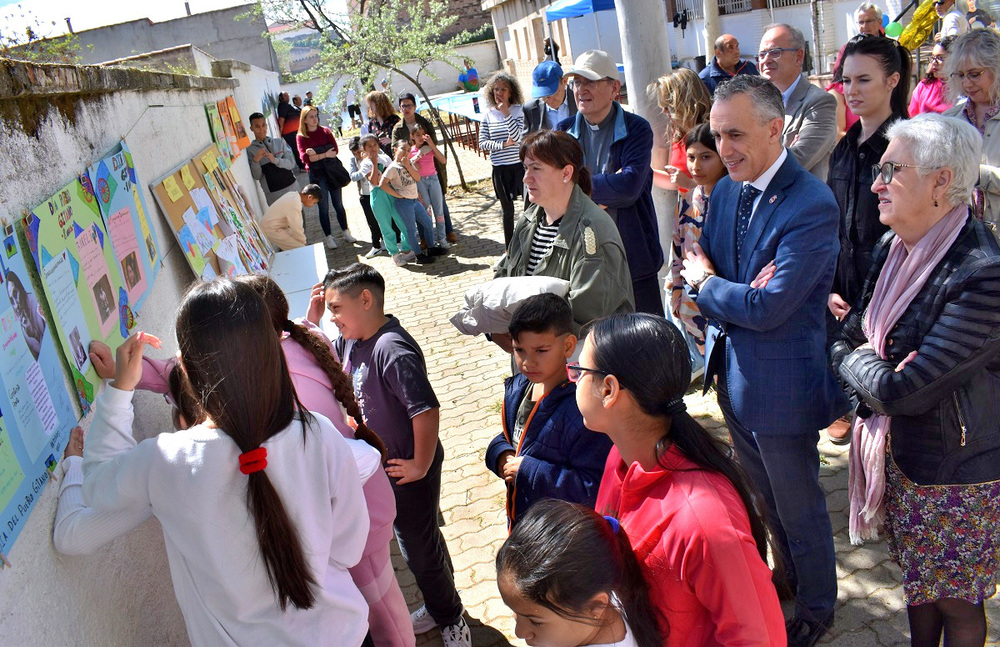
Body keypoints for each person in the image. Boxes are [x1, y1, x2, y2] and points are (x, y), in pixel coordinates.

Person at [78, 280, 371, 646]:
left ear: (185, 369)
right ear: (273, 353)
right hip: (345, 634)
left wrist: (120, 391)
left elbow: (96, 486)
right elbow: (348, 547)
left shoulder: (166, 461)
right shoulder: (319, 435)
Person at [681, 75, 848, 646]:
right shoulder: (727, 190)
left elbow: (769, 305)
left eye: (736, 134)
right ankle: (788, 578)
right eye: (718, 134)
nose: (723, 148)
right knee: (763, 497)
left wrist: (711, 285)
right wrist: (728, 287)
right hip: (732, 375)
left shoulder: (811, 202)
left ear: (776, 130)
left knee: (799, 507)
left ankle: (818, 608)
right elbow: (718, 271)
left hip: (782, 385)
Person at [829, 113, 1000, 647]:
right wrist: (860, 356)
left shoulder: (981, 272)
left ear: (941, 180)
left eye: (891, 170)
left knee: (957, 603)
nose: (876, 183)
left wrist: (854, 357)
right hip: (902, 458)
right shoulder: (895, 246)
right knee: (920, 586)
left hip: (955, 471)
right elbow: (851, 333)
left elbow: (904, 391)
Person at [578, 313, 786, 646]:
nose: (573, 380)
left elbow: (760, 637)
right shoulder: (620, 457)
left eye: (580, 372)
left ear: (609, 389)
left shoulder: (704, 519)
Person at [325, 264, 470, 647]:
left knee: (417, 549)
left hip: (410, 468)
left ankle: (451, 618)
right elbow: (327, 357)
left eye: (336, 307)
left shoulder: (391, 348)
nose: (332, 317)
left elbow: (424, 410)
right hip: (392, 467)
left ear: (366, 299)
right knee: (422, 541)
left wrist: (420, 465)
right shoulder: (352, 340)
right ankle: (444, 601)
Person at [485, 294, 612, 526]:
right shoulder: (518, 390)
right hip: (523, 521)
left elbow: (593, 486)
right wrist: (500, 454)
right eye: (519, 350)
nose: (528, 362)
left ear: (568, 345)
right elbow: (513, 437)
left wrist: (530, 470)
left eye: (541, 351)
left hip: (561, 534)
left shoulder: (583, 409)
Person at [493, 130, 634, 337]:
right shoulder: (529, 220)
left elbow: (586, 320)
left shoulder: (592, 231)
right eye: (525, 168)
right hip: (534, 356)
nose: (525, 178)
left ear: (566, 173)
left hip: (579, 362)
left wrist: (522, 336)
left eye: (536, 168)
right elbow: (504, 279)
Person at [559, 50, 664, 316]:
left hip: (634, 257)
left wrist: (574, 186)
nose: (581, 89)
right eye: (576, 82)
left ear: (615, 87)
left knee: (646, 341)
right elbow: (552, 190)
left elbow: (629, 186)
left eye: (590, 81)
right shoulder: (561, 133)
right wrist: (604, 187)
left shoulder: (637, 129)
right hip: (583, 263)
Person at [496, 499, 663, 647]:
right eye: (516, 612)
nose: (519, 632)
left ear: (595, 606)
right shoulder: (603, 589)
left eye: (535, 622)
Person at [828, 35, 911, 323]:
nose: (852, 90)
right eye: (846, 81)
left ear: (892, 80)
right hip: (841, 303)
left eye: (863, 80)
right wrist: (829, 288)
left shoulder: (910, 147)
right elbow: (832, 227)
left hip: (895, 301)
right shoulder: (842, 149)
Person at [669, 124, 727, 357]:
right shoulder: (687, 199)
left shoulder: (733, 199)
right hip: (690, 304)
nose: (696, 166)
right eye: (691, 157)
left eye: (706, 157)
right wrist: (676, 290)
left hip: (721, 301)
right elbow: (676, 246)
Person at [758, 24, 838, 179]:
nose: (766, 60)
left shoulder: (820, 103)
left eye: (775, 52)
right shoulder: (756, 103)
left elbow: (797, 160)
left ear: (799, 56)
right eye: (762, 54)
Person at [943, 28, 1000, 224]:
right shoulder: (949, 120)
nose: (967, 83)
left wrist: (975, 173)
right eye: (960, 75)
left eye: (975, 74)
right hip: (965, 238)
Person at [392, 93, 456, 244]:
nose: (406, 109)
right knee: (421, 205)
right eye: (403, 106)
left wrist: (421, 153)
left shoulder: (424, 122)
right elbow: (395, 149)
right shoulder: (398, 128)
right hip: (414, 174)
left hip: (432, 169)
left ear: (414, 107)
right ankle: (425, 238)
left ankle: (448, 232)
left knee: (440, 202)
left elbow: (433, 142)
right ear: (399, 108)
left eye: (409, 105)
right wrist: (410, 162)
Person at [379, 139, 445, 265]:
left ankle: (431, 248)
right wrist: (397, 194)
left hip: (415, 200)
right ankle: (418, 255)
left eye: (408, 150)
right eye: (403, 149)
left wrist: (408, 165)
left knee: (427, 223)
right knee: (411, 230)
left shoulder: (408, 163)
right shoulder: (393, 167)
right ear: (395, 150)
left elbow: (417, 177)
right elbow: (382, 184)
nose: (406, 152)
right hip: (404, 203)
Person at [297, 105, 355, 249]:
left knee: (338, 205)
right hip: (317, 175)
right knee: (323, 208)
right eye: (311, 116)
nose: (315, 119)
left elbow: (334, 150)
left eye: (316, 115)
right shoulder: (301, 137)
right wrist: (323, 153)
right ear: (304, 119)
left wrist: (315, 153)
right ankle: (329, 237)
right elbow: (305, 158)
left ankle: (345, 232)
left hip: (332, 172)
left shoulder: (325, 131)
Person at [479, 71, 526, 246]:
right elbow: (482, 143)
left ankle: (528, 241)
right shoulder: (488, 115)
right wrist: (503, 145)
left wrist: (506, 113)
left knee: (528, 206)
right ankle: (509, 247)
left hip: (519, 166)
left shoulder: (519, 111)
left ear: (511, 92)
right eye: (496, 89)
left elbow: (519, 137)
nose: (499, 93)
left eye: (503, 89)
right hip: (500, 168)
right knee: (507, 210)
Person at [648, 68, 712, 195]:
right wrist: (643, 172)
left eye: (668, 106)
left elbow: (723, 182)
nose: (664, 112)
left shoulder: (713, 133)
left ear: (685, 103)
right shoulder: (679, 133)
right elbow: (677, 182)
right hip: (687, 210)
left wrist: (690, 183)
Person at [349, 136, 391, 258]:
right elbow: (353, 176)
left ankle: (387, 243)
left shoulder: (378, 154)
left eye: (358, 150)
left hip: (381, 191)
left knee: (385, 219)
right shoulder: (356, 160)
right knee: (372, 221)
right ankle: (376, 246)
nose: (357, 154)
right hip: (365, 194)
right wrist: (364, 166)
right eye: (354, 152)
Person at [409, 126, 450, 249]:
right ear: (412, 137)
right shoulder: (411, 151)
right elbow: (406, 166)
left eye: (423, 134)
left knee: (439, 211)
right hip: (420, 182)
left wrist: (432, 145)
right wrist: (413, 161)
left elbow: (443, 160)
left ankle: (442, 238)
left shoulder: (429, 148)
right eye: (417, 135)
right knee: (427, 212)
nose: (421, 137)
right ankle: (430, 240)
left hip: (433, 179)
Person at [247, 111, 298, 206]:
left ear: (266, 125)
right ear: (251, 128)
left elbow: (291, 163)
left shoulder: (279, 142)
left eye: (263, 125)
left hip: (292, 188)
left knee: (299, 219)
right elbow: (257, 176)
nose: (261, 129)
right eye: (257, 126)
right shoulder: (251, 150)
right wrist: (255, 161)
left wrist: (275, 160)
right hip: (273, 195)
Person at [522, 61, 577, 136]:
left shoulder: (580, 101)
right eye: (543, 96)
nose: (549, 100)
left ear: (564, 81)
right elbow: (525, 142)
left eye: (552, 93)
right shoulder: (530, 109)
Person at [259, 184, 318, 251]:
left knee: (298, 244)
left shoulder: (292, 194)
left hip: (274, 226)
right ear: (309, 197)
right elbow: (296, 228)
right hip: (270, 228)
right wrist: (304, 243)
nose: (312, 205)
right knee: (301, 249)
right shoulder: (295, 204)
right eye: (314, 203)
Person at [909, 35, 955, 115]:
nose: (934, 62)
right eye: (933, 57)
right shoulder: (924, 86)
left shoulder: (964, 87)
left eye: (940, 58)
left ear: (955, 59)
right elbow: (912, 116)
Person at [5, 270, 45, 361]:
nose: (16, 304)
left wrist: (34, 334)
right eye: (12, 301)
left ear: (21, 289)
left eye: (15, 294)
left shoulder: (36, 303)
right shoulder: (21, 324)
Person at [365, 90, 401, 156]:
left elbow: (403, 138)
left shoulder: (395, 119)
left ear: (379, 104)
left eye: (371, 103)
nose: (369, 106)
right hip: (380, 159)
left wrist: (391, 140)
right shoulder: (372, 123)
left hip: (395, 156)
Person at [277, 92, 304, 170]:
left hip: (294, 132)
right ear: (281, 98)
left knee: (298, 148)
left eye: (288, 96)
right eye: (285, 96)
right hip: (290, 133)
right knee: (296, 149)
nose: (287, 97)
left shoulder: (286, 106)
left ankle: (302, 165)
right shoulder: (282, 105)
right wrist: (280, 131)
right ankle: (302, 166)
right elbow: (281, 119)